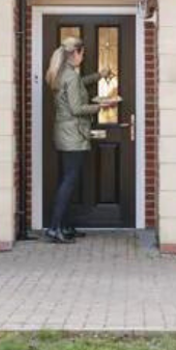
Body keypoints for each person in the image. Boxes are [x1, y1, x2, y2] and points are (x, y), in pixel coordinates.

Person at [43, 36, 119, 243]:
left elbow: (78, 85)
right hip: (73, 135)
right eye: (82, 54)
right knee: (69, 182)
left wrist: (98, 76)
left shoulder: (61, 73)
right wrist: (103, 106)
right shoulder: (70, 76)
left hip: (65, 134)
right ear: (75, 53)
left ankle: (65, 226)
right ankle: (54, 228)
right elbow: (77, 109)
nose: (83, 57)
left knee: (68, 181)